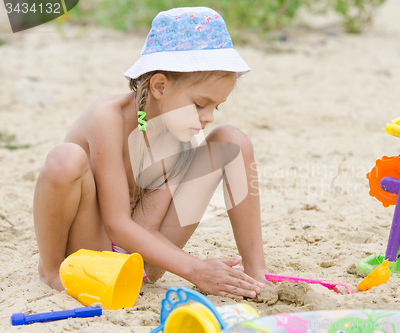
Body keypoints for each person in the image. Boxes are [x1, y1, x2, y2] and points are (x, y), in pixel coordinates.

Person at [33, 6, 270, 300]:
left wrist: (187, 266)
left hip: (140, 257)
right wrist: (195, 270)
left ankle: (255, 270)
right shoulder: (108, 118)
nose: (208, 117)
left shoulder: (179, 134)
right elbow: (116, 224)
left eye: (216, 107)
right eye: (200, 104)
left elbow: (147, 225)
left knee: (232, 141)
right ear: (159, 86)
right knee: (65, 158)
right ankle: (52, 270)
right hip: (89, 249)